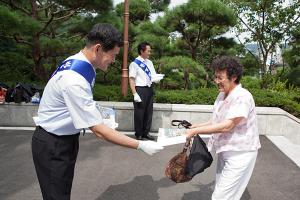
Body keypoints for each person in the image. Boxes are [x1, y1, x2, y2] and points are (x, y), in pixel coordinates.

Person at [31, 24, 163, 200]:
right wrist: (140, 145)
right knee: (56, 195)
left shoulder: (81, 63)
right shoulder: (74, 79)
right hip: (53, 143)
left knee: (61, 191)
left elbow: (82, 104)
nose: (114, 60)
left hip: (65, 139)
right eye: (114, 55)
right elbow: (100, 132)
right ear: (98, 49)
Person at [184, 56, 261, 200]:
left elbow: (228, 125)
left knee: (221, 196)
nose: (216, 81)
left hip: (240, 154)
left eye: (220, 78)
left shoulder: (242, 97)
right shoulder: (222, 95)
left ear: (234, 77)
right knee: (222, 193)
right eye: (215, 77)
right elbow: (216, 120)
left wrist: (195, 131)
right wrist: (195, 126)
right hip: (225, 151)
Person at [129, 42, 161, 141]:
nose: (149, 53)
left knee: (148, 112)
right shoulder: (134, 64)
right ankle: (139, 134)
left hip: (149, 89)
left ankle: (146, 133)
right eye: (148, 51)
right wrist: (134, 93)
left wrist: (157, 78)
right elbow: (131, 79)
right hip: (140, 89)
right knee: (139, 113)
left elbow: (152, 75)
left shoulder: (149, 62)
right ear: (142, 51)